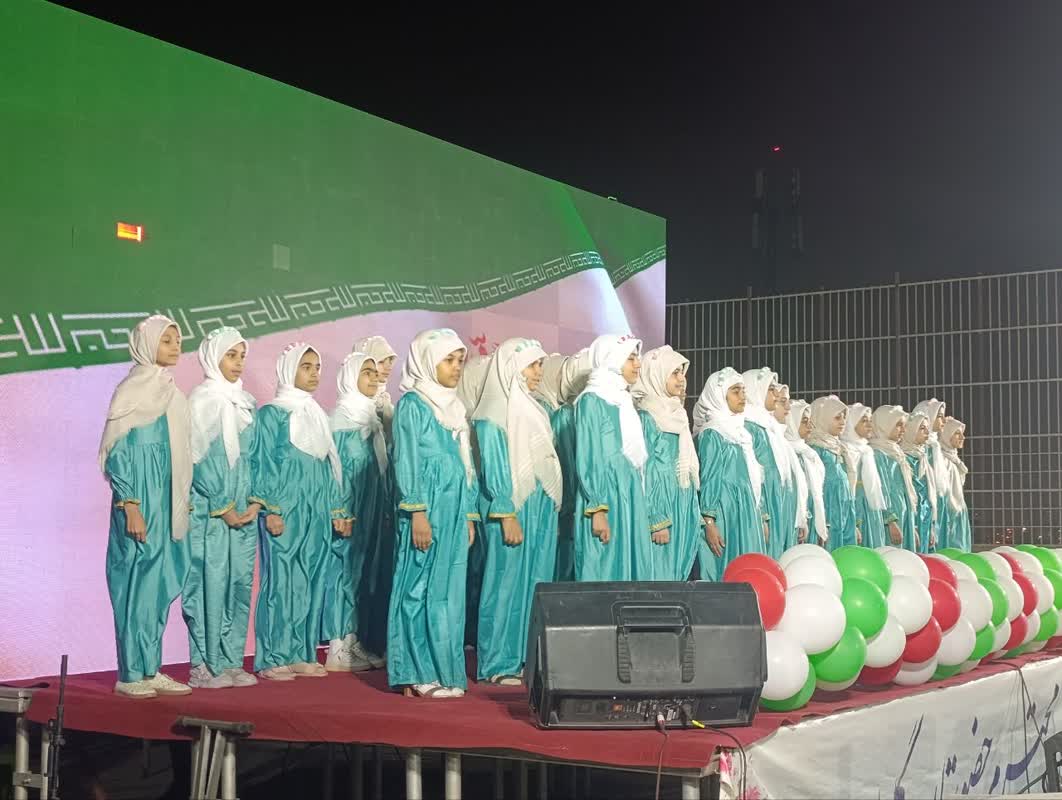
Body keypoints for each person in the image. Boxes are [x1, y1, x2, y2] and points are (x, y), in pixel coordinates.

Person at [99, 314, 193, 698]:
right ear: (146, 343)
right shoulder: (131, 391)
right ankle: (130, 673)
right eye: (167, 340)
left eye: (178, 340)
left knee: (156, 586)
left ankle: (150, 668)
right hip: (138, 500)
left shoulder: (172, 393)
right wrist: (131, 505)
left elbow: (181, 454)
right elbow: (117, 453)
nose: (175, 347)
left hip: (166, 501)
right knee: (135, 584)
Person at [387, 329, 480, 698]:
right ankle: (415, 672)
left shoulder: (454, 408)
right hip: (426, 510)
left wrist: (468, 513)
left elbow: (465, 465)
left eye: (460, 361)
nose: (456, 367)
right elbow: (407, 460)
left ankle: (445, 671)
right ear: (428, 361)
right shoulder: (413, 405)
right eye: (448, 360)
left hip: (453, 511)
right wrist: (417, 513)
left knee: (448, 591)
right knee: (418, 587)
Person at [252, 343, 351, 681]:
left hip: (317, 509)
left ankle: (302, 652)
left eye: (316, 367)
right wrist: (271, 509)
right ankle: (273, 655)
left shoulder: (317, 414)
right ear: (288, 370)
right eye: (305, 367)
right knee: (282, 580)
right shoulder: (272, 414)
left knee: (311, 579)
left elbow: (329, 467)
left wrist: (337, 508)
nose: (314, 374)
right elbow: (263, 463)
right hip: (286, 508)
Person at [472, 338, 561, 684]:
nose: (538, 372)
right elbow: (495, 467)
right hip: (509, 509)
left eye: (540, 365)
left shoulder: (533, 409)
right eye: (532, 365)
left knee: (533, 583)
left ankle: (523, 658)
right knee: (504, 584)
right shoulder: (492, 414)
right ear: (512, 368)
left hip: (538, 507)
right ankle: (496, 663)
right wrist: (506, 512)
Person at [183, 326, 259, 689]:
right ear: (213, 357)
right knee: (207, 583)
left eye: (242, 355)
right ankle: (203, 664)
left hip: (242, 510)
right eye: (231, 355)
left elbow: (253, 457)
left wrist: (254, 501)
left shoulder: (245, 403)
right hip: (211, 511)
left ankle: (230, 660)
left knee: (238, 584)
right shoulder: (202, 401)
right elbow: (195, 458)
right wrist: (221, 503)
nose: (238, 362)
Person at [324, 352, 389, 672]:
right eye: (366, 372)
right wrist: (340, 509)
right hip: (349, 508)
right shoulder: (341, 419)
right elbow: (335, 471)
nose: (374, 378)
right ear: (350, 376)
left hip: (369, 506)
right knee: (343, 572)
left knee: (360, 573)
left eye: (376, 372)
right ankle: (336, 645)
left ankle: (351, 639)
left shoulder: (371, 419)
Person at [573, 334, 651, 581]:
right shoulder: (591, 400)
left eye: (637, 357)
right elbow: (589, 455)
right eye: (630, 358)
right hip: (605, 496)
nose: (637, 364)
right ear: (612, 359)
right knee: (603, 568)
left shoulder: (623, 400)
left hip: (627, 491)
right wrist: (597, 509)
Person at [692, 368, 765, 579]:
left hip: (743, 507)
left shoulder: (740, 433)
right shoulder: (712, 433)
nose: (742, 396)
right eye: (735, 391)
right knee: (725, 566)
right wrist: (710, 522)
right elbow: (710, 478)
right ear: (719, 395)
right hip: (724, 511)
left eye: (743, 390)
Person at [635, 345, 701, 580]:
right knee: (659, 574)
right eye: (674, 373)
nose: (681, 379)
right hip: (662, 508)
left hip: (680, 501)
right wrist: (658, 519)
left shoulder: (677, 414)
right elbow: (647, 470)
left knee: (678, 574)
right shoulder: (646, 416)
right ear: (657, 373)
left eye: (682, 373)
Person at [534, 349, 590, 581]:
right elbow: (565, 462)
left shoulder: (564, 409)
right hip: (560, 501)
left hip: (556, 500)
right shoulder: (559, 413)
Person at [742, 368, 798, 559]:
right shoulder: (748, 426)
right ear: (755, 390)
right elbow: (753, 475)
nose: (775, 395)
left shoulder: (769, 426)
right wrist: (763, 514)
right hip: (766, 502)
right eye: (771, 389)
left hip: (778, 499)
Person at [806, 396, 857, 549]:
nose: (843, 422)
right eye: (837, 418)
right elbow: (815, 489)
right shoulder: (816, 449)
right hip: (828, 511)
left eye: (844, 417)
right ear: (823, 418)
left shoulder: (839, 448)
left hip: (843, 509)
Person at [869, 405, 919, 551]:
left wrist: (912, 526)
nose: (903, 430)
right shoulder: (878, 454)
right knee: (892, 555)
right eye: (898, 425)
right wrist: (890, 520)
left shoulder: (896, 453)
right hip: (891, 518)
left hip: (903, 512)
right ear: (885, 425)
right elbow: (881, 490)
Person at [840, 404, 887, 548]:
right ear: (852, 422)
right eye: (864, 421)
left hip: (870, 508)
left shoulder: (867, 451)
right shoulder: (845, 451)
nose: (869, 425)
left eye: (870, 421)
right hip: (856, 507)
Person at [785, 400, 828, 547]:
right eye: (804, 421)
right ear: (791, 423)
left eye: (810, 421)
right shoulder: (785, 453)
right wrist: (801, 519)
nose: (810, 426)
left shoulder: (807, 453)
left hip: (810, 515)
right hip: (792, 517)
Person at [901, 410, 938, 553]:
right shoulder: (903, 460)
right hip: (912, 519)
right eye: (922, 428)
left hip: (925, 518)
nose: (927, 432)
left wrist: (931, 527)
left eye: (927, 428)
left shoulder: (922, 458)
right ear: (911, 430)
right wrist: (914, 526)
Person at [938, 416, 972, 551]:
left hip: (958, 511)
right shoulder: (941, 460)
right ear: (946, 435)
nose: (962, 437)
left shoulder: (954, 460)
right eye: (957, 433)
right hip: (948, 514)